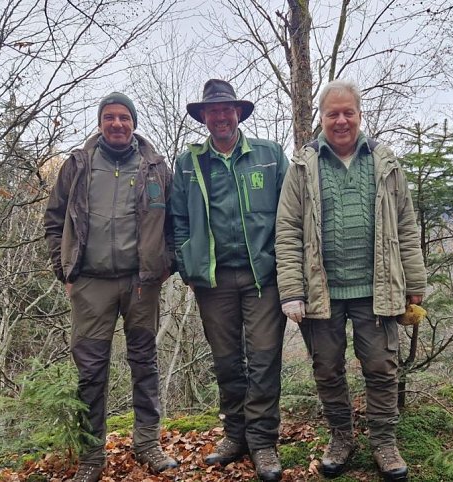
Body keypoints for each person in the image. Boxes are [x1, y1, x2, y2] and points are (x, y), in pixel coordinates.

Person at [275, 79, 426, 482]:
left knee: (380, 367)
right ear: (321, 118)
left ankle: (384, 442)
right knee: (327, 369)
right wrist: (291, 290)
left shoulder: (385, 163)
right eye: (332, 114)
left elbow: (406, 226)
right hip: (321, 291)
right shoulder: (303, 166)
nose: (341, 121)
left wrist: (415, 282)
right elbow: (287, 229)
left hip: (377, 289)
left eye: (348, 113)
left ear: (360, 115)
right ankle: (341, 437)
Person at [44, 93, 177, 482]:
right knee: (90, 371)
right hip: (90, 284)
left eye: (123, 118)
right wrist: (64, 270)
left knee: (145, 364)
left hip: (141, 284)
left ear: (133, 122)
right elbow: (54, 219)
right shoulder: (78, 165)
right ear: (100, 122)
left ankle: (148, 442)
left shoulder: (155, 167)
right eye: (109, 117)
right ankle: (90, 456)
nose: (117, 124)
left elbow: (173, 223)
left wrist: (164, 265)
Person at [170, 79, 288, 482]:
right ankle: (235, 435)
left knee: (264, 359)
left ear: (238, 113)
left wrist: (283, 262)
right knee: (226, 362)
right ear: (203, 117)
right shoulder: (189, 163)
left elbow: (291, 213)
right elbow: (178, 221)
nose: (220, 116)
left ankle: (263, 442)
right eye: (212, 111)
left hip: (263, 278)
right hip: (213, 281)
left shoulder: (270, 156)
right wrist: (188, 264)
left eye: (227, 109)